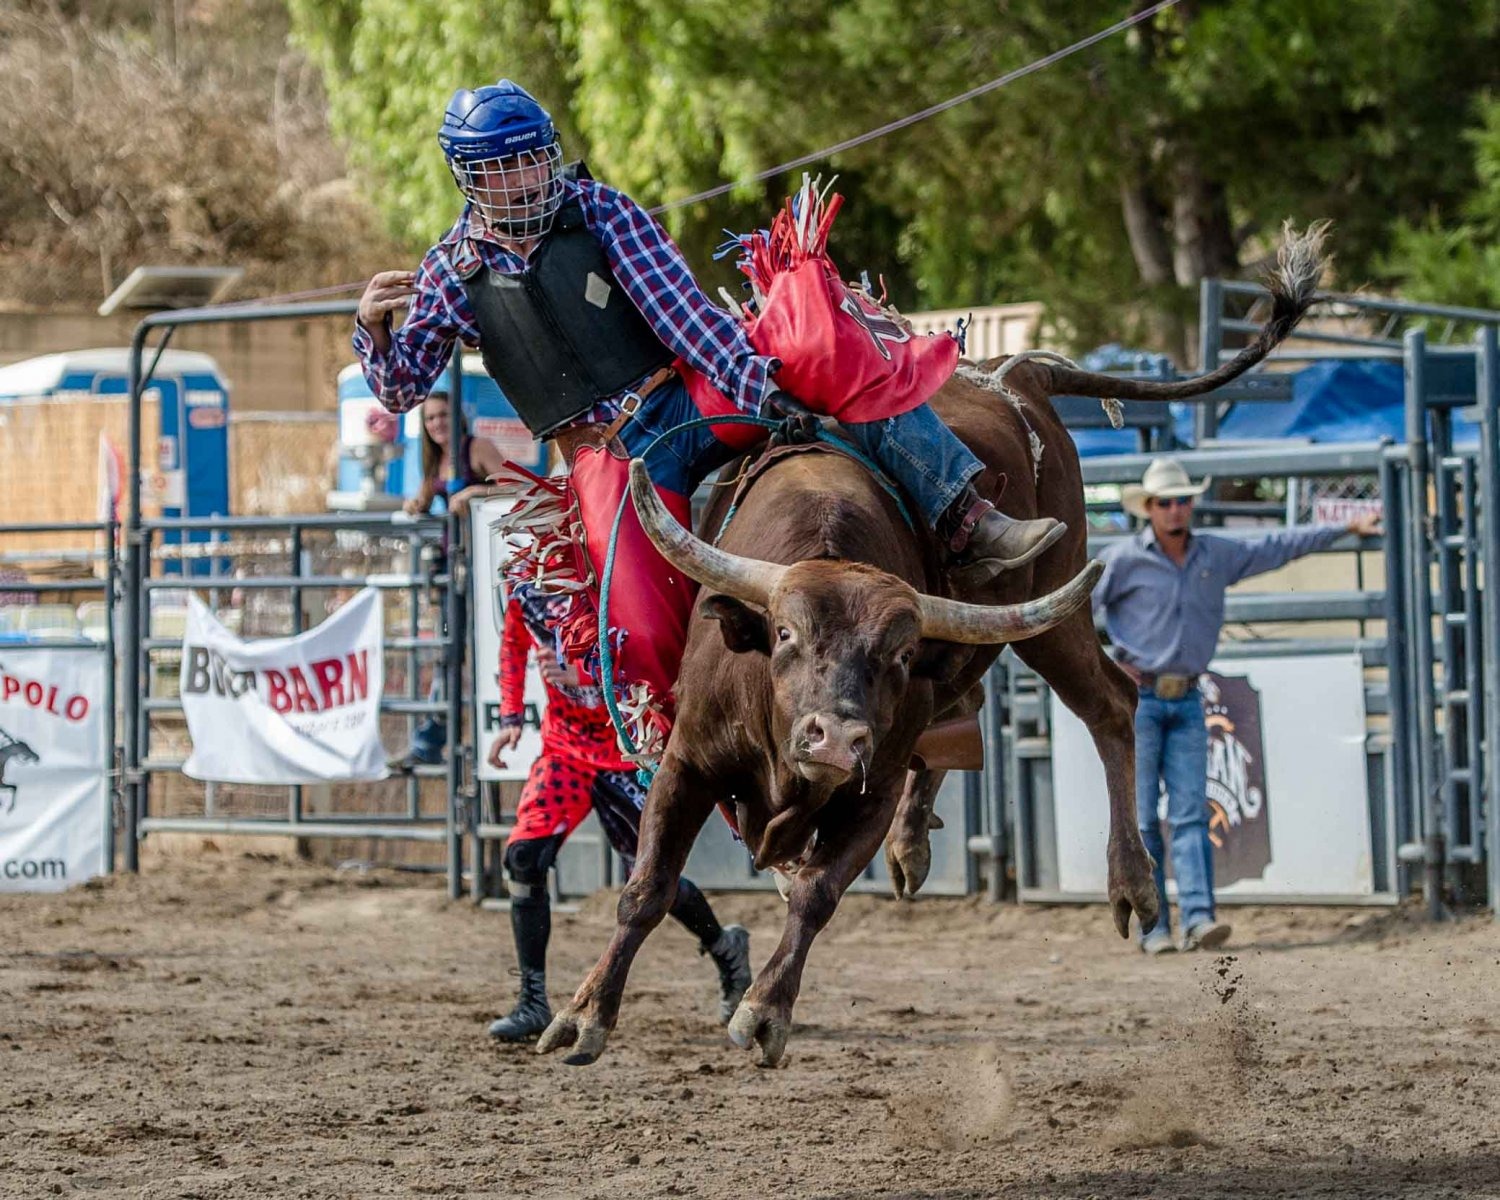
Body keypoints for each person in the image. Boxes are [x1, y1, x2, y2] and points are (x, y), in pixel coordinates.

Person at [354, 79, 1063, 756]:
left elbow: (687, 318)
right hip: (609, 454)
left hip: (684, 394)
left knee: (826, 354)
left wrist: (766, 390)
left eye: (535, 159)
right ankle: (723, 766)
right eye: (506, 169)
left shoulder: (602, 211)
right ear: (470, 179)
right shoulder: (450, 270)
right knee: (641, 639)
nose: (529, 179)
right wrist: (375, 332)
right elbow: (399, 388)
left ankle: (963, 513)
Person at [1094, 457, 1382, 955]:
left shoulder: (1213, 554)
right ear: (1151, 509)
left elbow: (1277, 546)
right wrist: (1106, 664)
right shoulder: (1124, 561)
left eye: (1182, 500)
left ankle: (1197, 920)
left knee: (1186, 812)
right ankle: (1156, 927)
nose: (1176, 509)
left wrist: (1340, 527)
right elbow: (1086, 612)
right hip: (1139, 699)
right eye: (1167, 502)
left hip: (1182, 697)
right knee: (1144, 819)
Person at [484, 579, 752, 1041]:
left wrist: (585, 674)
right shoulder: (525, 592)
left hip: (625, 746)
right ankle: (532, 1001)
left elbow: (652, 655)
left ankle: (725, 949)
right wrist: (511, 718)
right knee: (524, 857)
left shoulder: (614, 578)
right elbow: (512, 648)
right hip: (564, 747)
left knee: (650, 874)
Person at [388, 390, 507, 770]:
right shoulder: (434, 460)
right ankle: (435, 738)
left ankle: (485, 734)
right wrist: (416, 504)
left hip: (482, 565)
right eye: (429, 419)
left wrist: (476, 492)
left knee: (482, 649)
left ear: (458, 416)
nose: (437, 424)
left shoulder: (477, 449)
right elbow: (425, 497)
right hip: (449, 567)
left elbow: (518, 486)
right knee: (448, 651)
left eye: (442, 416)